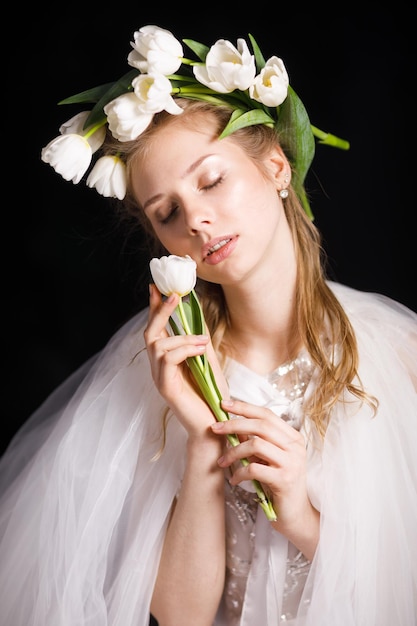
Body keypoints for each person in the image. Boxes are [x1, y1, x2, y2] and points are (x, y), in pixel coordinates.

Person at [1, 24, 416, 626]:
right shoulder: (171, 368)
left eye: (212, 179)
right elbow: (181, 616)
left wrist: (298, 515)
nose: (195, 219)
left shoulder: (398, 353)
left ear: (276, 166)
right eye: (167, 212)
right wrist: (202, 444)